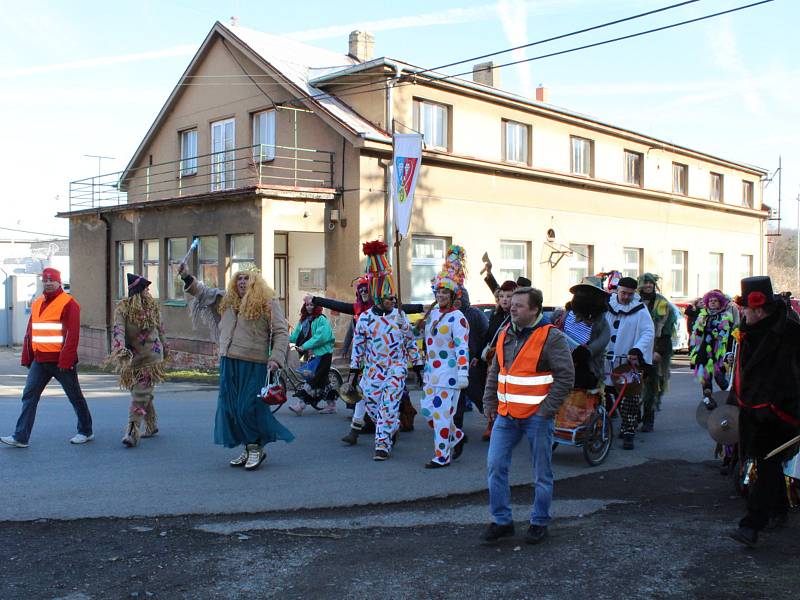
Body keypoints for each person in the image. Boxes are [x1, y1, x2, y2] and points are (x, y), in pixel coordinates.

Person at [480, 287, 575, 545]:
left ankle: (539, 522)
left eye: (519, 305)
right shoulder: (504, 332)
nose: (512, 307)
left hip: (537, 417)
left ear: (535, 310)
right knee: (495, 465)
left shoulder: (551, 337)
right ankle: (502, 521)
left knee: (541, 473)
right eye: (512, 303)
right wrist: (489, 400)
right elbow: (496, 371)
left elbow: (566, 377)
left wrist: (546, 410)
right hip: (506, 415)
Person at [179, 263, 293, 471]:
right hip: (229, 361)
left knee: (247, 407)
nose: (242, 282)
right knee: (230, 409)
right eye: (238, 278)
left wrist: (276, 358)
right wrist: (187, 277)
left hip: (254, 363)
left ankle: (255, 447)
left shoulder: (268, 302)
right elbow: (202, 292)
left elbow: (281, 331)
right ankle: (249, 448)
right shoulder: (226, 300)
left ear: (254, 282)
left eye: (246, 278)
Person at [727, 276, 800, 547]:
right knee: (768, 462)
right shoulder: (747, 330)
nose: (743, 313)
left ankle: (751, 524)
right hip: (753, 412)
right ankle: (779, 511)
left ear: (759, 309)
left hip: (782, 412)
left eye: (746, 308)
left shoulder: (791, 332)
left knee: (768, 463)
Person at [1, 268, 94, 448]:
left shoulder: (69, 303)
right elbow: (30, 332)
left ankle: (85, 431)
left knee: (75, 396)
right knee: (29, 396)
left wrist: (65, 361)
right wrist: (27, 356)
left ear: (59, 282)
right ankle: (20, 437)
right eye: (45, 281)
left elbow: (72, 335)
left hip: (61, 361)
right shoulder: (37, 303)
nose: (48, 283)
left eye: (52, 281)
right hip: (40, 360)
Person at [349, 240, 421, 460]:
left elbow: (410, 342)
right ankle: (391, 428)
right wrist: (353, 372)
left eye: (394, 297)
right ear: (379, 297)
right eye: (390, 298)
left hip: (395, 369)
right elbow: (358, 347)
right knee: (371, 403)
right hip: (372, 371)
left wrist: (417, 366)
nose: (393, 300)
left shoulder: (399, 317)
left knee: (389, 405)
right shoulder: (365, 319)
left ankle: (382, 445)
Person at [417, 244, 470, 468]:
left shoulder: (457, 318)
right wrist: (405, 325)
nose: (441, 295)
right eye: (438, 291)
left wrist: (463, 373)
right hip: (431, 374)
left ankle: (441, 456)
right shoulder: (432, 313)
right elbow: (418, 336)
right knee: (429, 412)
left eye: (445, 292)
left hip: (449, 376)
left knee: (440, 418)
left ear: (452, 295)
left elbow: (462, 348)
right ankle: (456, 436)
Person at [106, 274, 168, 447]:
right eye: (146, 289)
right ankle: (152, 425)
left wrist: (166, 349)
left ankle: (132, 432)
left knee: (139, 395)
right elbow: (118, 329)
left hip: (152, 359)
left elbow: (161, 331)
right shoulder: (123, 309)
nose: (149, 292)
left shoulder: (153, 308)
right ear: (139, 291)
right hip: (132, 359)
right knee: (142, 393)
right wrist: (120, 348)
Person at [604, 276, 654, 450]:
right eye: (623, 293)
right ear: (617, 290)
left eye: (630, 294)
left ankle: (629, 432)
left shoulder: (640, 310)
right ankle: (605, 427)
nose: (626, 297)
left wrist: (637, 349)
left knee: (630, 398)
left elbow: (648, 332)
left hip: (628, 361)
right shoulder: (606, 307)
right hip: (606, 362)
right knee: (607, 395)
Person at [551, 277, 610, 390]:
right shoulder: (563, 315)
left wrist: (588, 351)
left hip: (586, 369)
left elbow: (603, 340)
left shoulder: (600, 323)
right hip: (560, 365)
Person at [638, 273, 677, 432]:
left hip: (656, 348)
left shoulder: (662, 303)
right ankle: (632, 418)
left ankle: (648, 419)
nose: (648, 285)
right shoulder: (634, 300)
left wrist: (658, 351)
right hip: (635, 347)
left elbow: (666, 330)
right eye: (645, 283)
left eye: (650, 283)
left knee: (651, 386)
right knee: (631, 386)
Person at [480, 279, 517, 441]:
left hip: (512, 361)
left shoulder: (517, 317)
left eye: (508, 296)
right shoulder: (496, 315)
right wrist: (476, 356)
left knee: (508, 392)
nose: (504, 299)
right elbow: (488, 336)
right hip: (494, 360)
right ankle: (492, 422)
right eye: (501, 296)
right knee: (494, 391)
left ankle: (510, 422)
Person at [287, 296, 336, 415]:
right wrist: (283, 338)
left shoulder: (321, 320)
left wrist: (304, 346)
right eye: (307, 305)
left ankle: (301, 405)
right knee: (323, 381)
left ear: (316, 306)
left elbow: (320, 337)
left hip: (324, 354)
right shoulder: (304, 321)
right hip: (313, 355)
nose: (309, 307)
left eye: (311, 305)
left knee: (313, 379)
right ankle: (331, 405)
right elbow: (295, 335)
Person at [688, 289, 737, 395]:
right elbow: (696, 334)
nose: (713, 302)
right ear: (707, 303)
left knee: (719, 377)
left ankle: (730, 396)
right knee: (706, 376)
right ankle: (707, 399)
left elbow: (726, 333)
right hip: (704, 349)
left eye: (715, 300)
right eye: (710, 301)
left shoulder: (725, 316)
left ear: (720, 303)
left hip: (719, 349)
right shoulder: (702, 316)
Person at [453, 287, 488, 432]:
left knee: (477, 393)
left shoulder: (475, 314)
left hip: (472, 361)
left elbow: (485, 335)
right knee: (458, 397)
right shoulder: (448, 315)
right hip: (454, 363)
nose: (457, 302)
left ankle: (491, 417)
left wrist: (478, 356)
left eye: (459, 299)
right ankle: (457, 427)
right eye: (454, 299)